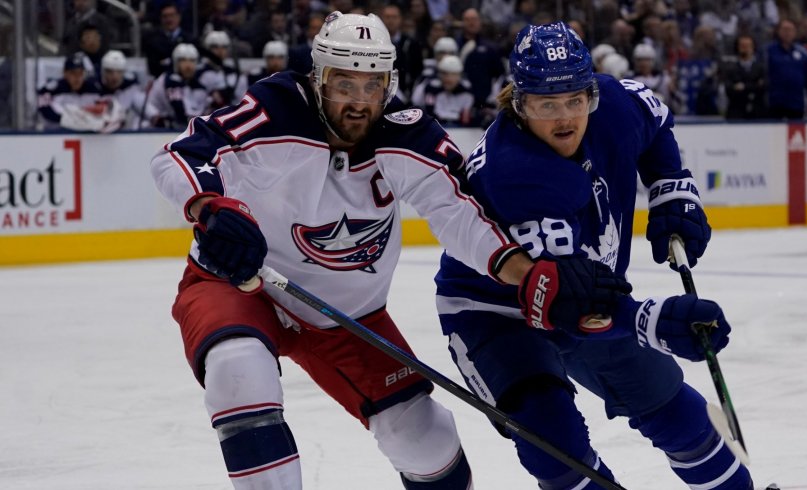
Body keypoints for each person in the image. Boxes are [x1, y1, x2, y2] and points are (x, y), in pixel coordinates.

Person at [149, 12, 618, 490]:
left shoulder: (408, 135)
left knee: (425, 438)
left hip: (345, 312)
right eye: (343, 85)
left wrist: (526, 272)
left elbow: (460, 213)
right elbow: (179, 154)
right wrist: (210, 207)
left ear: (389, 84)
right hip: (238, 283)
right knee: (238, 368)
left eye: (372, 87)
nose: (358, 103)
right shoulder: (274, 108)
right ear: (318, 78)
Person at [434, 22, 753, 489]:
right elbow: (568, 300)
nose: (564, 118)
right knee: (554, 445)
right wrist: (653, 320)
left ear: (591, 95)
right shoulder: (513, 172)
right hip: (495, 312)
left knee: (676, 412)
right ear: (519, 104)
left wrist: (670, 189)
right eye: (547, 104)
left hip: (591, 293)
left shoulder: (614, 106)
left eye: (574, 101)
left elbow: (657, 118)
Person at [144, 43, 209, 129]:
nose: (188, 65)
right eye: (183, 60)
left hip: (173, 130)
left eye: (192, 61)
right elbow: (180, 112)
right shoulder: (170, 80)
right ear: (175, 63)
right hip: (153, 130)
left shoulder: (197, 85)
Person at [36, 54, 103, 131]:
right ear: (65, 73)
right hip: (55, 134)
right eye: (73, 73)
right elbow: (44, 110)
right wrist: (67, 120)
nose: (77, 78)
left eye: (80, 73)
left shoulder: (94, 89)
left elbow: (104, 109)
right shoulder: (53, 89)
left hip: (88, 135)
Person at [766, 18, 807, 119]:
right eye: (785, 29)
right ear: (778, 31)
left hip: (796, 102)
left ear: (795, 32)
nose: (788, 33)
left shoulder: (803, 53)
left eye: (790, 30)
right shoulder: (768, 51)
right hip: (775, 102)